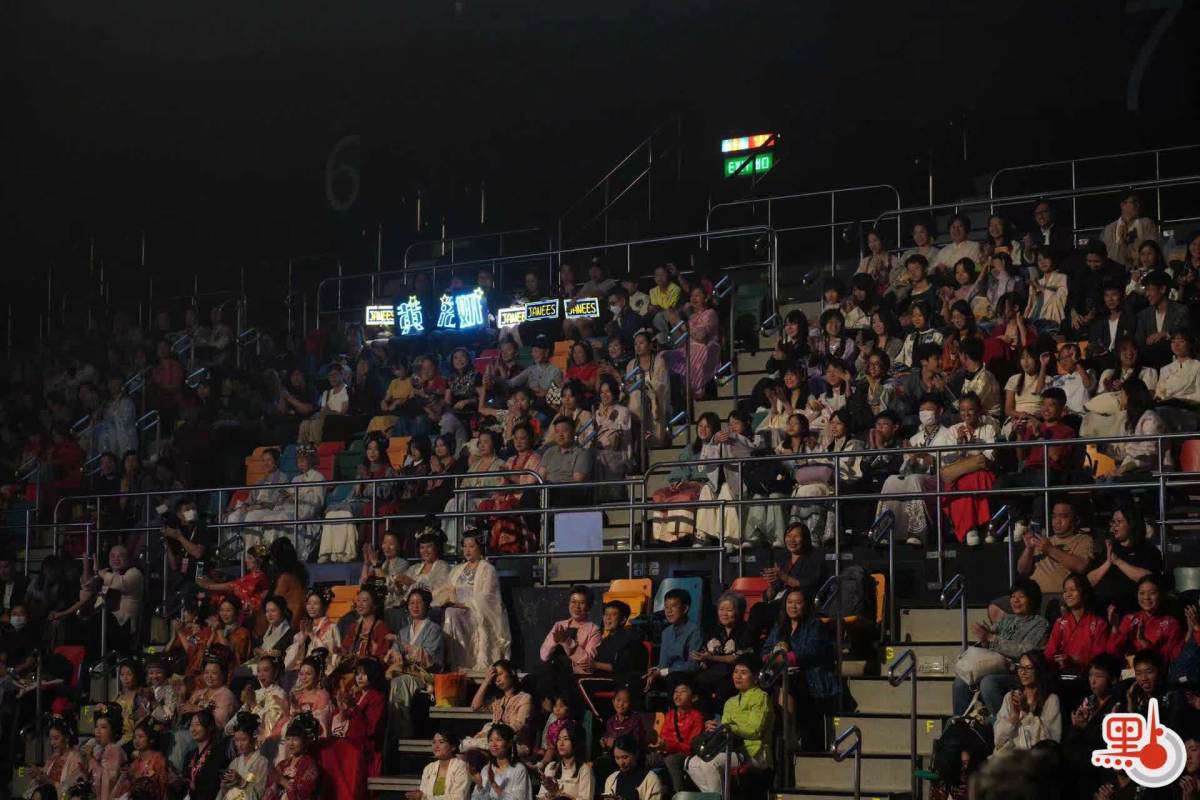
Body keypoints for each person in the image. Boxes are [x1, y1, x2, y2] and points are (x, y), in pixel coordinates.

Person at [954, 579, 1050, 716]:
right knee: (961, 682)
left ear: (1032, 599)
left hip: (1018, 674)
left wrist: (991, 638)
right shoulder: (1006, 620)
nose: (1015, 600)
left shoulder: (1040, 624)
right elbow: (989, 645)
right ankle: (960, 725)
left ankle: (1003, 724)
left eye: (1021, 596)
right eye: (1013, 596)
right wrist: (984, 638)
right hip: (995, 668)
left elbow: (1025, 650)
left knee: (988, 683)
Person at [762, 588, 837, 751]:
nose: (793, 606)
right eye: (789, 602)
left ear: (806, 605)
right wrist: (774, 656)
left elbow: (812, 651)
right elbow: (766, 650)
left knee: (788, 686)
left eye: (798, 603)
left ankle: (791, 736)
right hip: (784, 674)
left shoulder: (815, 625)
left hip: (810, 676)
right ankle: (784, 735)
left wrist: (785, 658)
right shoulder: (780, 625)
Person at [685, 656, 772, 793]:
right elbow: (725, 732)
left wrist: (728, 727)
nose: (738, 676)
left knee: (709, 763)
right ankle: (715, 796)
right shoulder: (730, 702)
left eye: (743, 672)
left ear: (755, 677)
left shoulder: (761, 697)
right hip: (731, 748)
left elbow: (755, 730)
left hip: (753, 752)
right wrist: (715, 728)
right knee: (692, 763)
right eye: (736, 672)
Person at [319, 433, 397, 563]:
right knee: (333, 512)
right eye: (369, 449)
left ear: (381, 451)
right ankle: (327, 552)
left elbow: (384, 493)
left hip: (372, 503)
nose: (372, 452)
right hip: (357, 501)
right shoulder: (362, 468)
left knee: (347, 511)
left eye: (376, 449)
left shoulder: (388, 470)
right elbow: (354, 492)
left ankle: (348, 552)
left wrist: (367, 479)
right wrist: (358, 482)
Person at [443, 531, 511, 670]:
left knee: (451, 613)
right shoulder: (457, 569)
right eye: (465, 546)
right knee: (448, 612)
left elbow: (489, 598)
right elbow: (446, 589)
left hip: (476, 613)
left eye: (471, 546)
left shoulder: (488, 569)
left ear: (480, 547)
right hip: (456, 610)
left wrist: (463, 604)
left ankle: (465, 664)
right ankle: (453, 663)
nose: (467, 550)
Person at [323, 658, 387, 800]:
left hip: (363, 745)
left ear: (373, 674)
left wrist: (353, 708)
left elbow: (371, 728)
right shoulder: (355, 695)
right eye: (357, 674)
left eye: (364, 674)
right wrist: (341, 710)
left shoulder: (377, 698)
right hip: (345, 740)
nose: (359, 678)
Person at [1062, 654, 1124, 800]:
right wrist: (1076, 726)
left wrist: (1086, 728)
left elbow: (1108, 743)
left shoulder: (1120, 706)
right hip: (1080, 762)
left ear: (1113, 679)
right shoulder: (1087, 701)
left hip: (1102, 767)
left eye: (1099, 676)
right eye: (1091, 675)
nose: (1093, 680)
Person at [387, 587, 444, 739]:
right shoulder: (403, 631)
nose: (415, 606)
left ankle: (404, 731)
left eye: (419, 602)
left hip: (424, 677)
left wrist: (402, 645)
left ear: (427, 605)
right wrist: (395, 654)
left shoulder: (434, 630)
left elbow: (429, 659)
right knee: (395, 681)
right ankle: (396, 730)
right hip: (405, 674)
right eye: (411, 603)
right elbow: (395, 652)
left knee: (399, 683)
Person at [1087, 504, 1163, 615]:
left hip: (1133, 609)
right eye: (1113, 522)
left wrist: (1118, 562)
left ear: (1131, 524)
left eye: (1119, 521)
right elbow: (1088, 581)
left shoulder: (1148, 551)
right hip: (1104, 608)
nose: (1114, 526)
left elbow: (1149, 580)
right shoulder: (1108, 549)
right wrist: (1107, 563)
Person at [535, 585, 601, 701]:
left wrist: (567, 641)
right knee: (531, 680)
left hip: (575, 676)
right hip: (553, 672)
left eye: (581, 603)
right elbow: (544, 656)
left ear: (589, 607)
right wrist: (554, 641)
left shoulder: (593, 630)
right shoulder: (559, 625)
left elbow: (587, 663)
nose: (576, 607)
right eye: (573, 602)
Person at [691, 591, 755, 711]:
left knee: (722, 685)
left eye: (729, 610)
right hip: (714, 670)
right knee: (696, 681)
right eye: (721, 609)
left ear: (739, 612)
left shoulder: (747, 631)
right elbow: (707, 652)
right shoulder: (715, 630)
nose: (724, 614)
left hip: (734, 672)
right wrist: (704, 658)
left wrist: (711, 657)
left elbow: (736, 657)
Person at [579, 600, 647, 712]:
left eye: (613, 615)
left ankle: (600, 717)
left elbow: (622, 667)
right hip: (605, 678)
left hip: (622, 679)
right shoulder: (605, 641)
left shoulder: (630, 637)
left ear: (623, 619)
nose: (608, 618)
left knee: (580, 682)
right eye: (606, 614)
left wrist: (595, 665)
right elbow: (596, 663)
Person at [1105, 573, 1186, 665]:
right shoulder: (1129, 619)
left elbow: (1168, 659)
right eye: (1142, 593)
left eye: (1152, 593)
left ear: (1161, 595)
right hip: (1127, 671)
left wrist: (1144, 642)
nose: (1146, 597)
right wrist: (1115, 627)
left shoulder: (1171, 624)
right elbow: (1112, 654)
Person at [1044, 573, 1110, 683]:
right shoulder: (1060, 623)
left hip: (1088, 678)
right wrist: (1059, 661)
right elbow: (1049, 654)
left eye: (1072, 590)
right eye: (1065, 591)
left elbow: (1099, 659)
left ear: (1084, 592)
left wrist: (1074, 661)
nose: (1068, 594)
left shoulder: (1098, 623)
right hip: (1061, 677)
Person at [993, 651, 1062, 751]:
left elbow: (1050, 742)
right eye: (1020, 667)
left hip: (1035, 758)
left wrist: (1026, 712)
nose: (1022, 672)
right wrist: (1014, 718)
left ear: (1039, 670)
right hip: (1010, 756)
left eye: (1028, 668)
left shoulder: (1051, 700)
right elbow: (998, 740)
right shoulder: (1010, 697)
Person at [224, 448, 291, 551]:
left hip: (270, 510)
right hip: (254, 508)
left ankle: (253, 553)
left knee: (252, 516)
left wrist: (255, 507)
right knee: (232, 517)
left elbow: (276, 502)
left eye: (269, 460)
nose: (266, 463)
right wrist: (245, 505)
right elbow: (250, 499)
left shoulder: (283, 479)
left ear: (276, 462)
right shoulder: (260, 481)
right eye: (264, 460)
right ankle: (233, 553)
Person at [227, 655, 289, 761]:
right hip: (246, 741)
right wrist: (247, 707)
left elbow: (269, 727)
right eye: (259, 671)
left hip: (265, 745)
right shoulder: (256, 693)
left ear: (275, 673)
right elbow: (230, 726)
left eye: (266, 670)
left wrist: (253, 704)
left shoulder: (280, 694)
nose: (261, 675)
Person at [464, 660, 533, 754]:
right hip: (494, 744)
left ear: (512, 672)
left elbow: (520, 725)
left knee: (475, 751)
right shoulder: (498, 700)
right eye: (495, 677)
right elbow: (475, 707)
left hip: (515, 745)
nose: (497, 680)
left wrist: (493, 734)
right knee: (470, 751)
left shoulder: (524, 698)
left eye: (500, 674)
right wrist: (486, 681)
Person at [646, 680, 704, 793]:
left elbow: (690, 746)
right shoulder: (670, 714)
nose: (678, 695)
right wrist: (659, 746)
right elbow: (663, 736)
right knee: (646, 759)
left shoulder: (697, 717)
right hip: (666, 752)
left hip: (684, 754)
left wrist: (668, 746)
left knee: (671, 760)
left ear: (693, 698)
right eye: (676, 692)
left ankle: (679, 793)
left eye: (683, 692)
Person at [643, 588, 702, 695]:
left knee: (673, 678)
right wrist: (655, 670)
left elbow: (692, 666)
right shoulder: (666, 632)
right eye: (666, 607)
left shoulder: (694, 630)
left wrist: (663, 671)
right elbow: (663, 664)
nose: (669, 611)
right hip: (667, 674)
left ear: (685, 609)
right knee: (640, 679)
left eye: (673, 606)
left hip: (685, 676)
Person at [664, 286, 721, 397]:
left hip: (707, 347)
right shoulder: (692, 316)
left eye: (697, 295)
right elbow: (684, 336)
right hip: (690, 347)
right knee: (664, 356)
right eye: (692, 296)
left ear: (706, 298)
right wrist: (673, 321)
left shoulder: (710, 313)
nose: (693, 298)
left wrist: (679, 321)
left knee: (697, 354)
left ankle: (696, 390)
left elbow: (700, 336)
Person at [1136, 270, 1190, 368]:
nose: (1147, 294)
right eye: (1146, 290)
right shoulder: (1143, 315)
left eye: (1150, 289)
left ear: (1163, 289)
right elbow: (1139, 342)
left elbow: (1183, 336)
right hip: (1149, 365)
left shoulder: (1180, 310)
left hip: (1174, 363)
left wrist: (1165, 334)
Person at [265, 712, 322, 800]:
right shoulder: (282, 765)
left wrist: (282, 781)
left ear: (306, 741)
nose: (291, 743)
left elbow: (304, 795)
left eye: (295, 739)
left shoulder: (310, 766)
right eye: (288, 739)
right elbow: (270, 791)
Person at [285, 589, 342, 676]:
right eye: (309, 604)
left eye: (315, 604)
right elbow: (288, 662)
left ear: (324, 606)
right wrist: (302, 639)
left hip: (321, 674)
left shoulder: (331, 628)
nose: (311, 607)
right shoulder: (305, 628)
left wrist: (312, 634)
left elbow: (328, 655)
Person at [361, 531, 411, 632]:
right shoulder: (382, 564)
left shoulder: (403, 564)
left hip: (394, 607)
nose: (387, 547)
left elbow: (388, 583)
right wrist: (366, 563)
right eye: (384, 543)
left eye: (391, 544)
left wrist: (375, 563)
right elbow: (363, 583)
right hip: (377, 606)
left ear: (399, 547)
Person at [467, 723, 531, 800]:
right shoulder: (486, 769)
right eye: (490, 740)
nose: (493, 744)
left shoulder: (518, 769)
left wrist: (494, 785)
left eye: (498, 740)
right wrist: (479, 784)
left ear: (509, 743)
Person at [27, 715, 84, 797]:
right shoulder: (53, 757)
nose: (52, 743)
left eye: (56, 738)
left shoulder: (76, 759)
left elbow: (71, 790)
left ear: (67, 738)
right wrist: (37, 775)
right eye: (50, 739)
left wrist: (49, 781)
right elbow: (44, 777)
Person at [219, 711, 270, 800]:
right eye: (236, 740)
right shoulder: (235, 762)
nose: (239, 744)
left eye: (243, 740)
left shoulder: (261, 762)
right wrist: (224, 787)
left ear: (253, 738)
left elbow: (258, 794)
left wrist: (241, 781)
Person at [1102, 191, 1159, 270]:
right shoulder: (1110, 228)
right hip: (1119, 271)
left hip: (1143, 268)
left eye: (1138, 202)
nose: (1138, 205)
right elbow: (1110, 257)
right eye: (1134, 202)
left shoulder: (1146, 223)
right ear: (1123, 205)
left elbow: (1153, 248)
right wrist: (1121, 240)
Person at [181, 709, 231, 800]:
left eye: (197, 725)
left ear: (210, 727)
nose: (193, 729)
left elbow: (214, 787)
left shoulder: (218, 755)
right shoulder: (190, 755)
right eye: (191, 725)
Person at [297, 362, 350, 445]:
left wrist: (329, 412)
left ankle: (316, 448)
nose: (332, 378)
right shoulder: (326, 393)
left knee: (316, 424)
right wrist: (319, 414)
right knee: (304, 424)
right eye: (330, 376)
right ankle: (302, 450)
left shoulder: (347, 390)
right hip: (325, 420)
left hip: (338, 421)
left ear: (342, 374)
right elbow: (322, 412)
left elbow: (343, 412)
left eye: (335, 375)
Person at [538, 723, 594, 800]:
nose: (561, 743)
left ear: (575, 742)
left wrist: (558, 793)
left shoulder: (584, 770)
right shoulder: (551, 767)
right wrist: (550, 793)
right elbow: (540, 797)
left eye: (566, 739)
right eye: (559, 739)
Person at [408, 732, 470, 800]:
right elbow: (424, 793)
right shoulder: (429, 768)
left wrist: (424, 797)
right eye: (434, 742)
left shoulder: (461, 766)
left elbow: (458, 797)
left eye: (441, 742)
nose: (436, 746)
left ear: (453, 747)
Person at [285, 653, 333, 740]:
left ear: (318, 675)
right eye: (301, 674)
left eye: (308, 674)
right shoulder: (296, 695)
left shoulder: (323, 695)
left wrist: (298, 711)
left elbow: (320, 723)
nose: (304, 677)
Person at [128, 721, 170, 798]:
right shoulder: (135, 764)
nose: (136, 740)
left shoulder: (158, 759)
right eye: (134, 737)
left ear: (151, 739)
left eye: (141, 737)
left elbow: (164, 786)